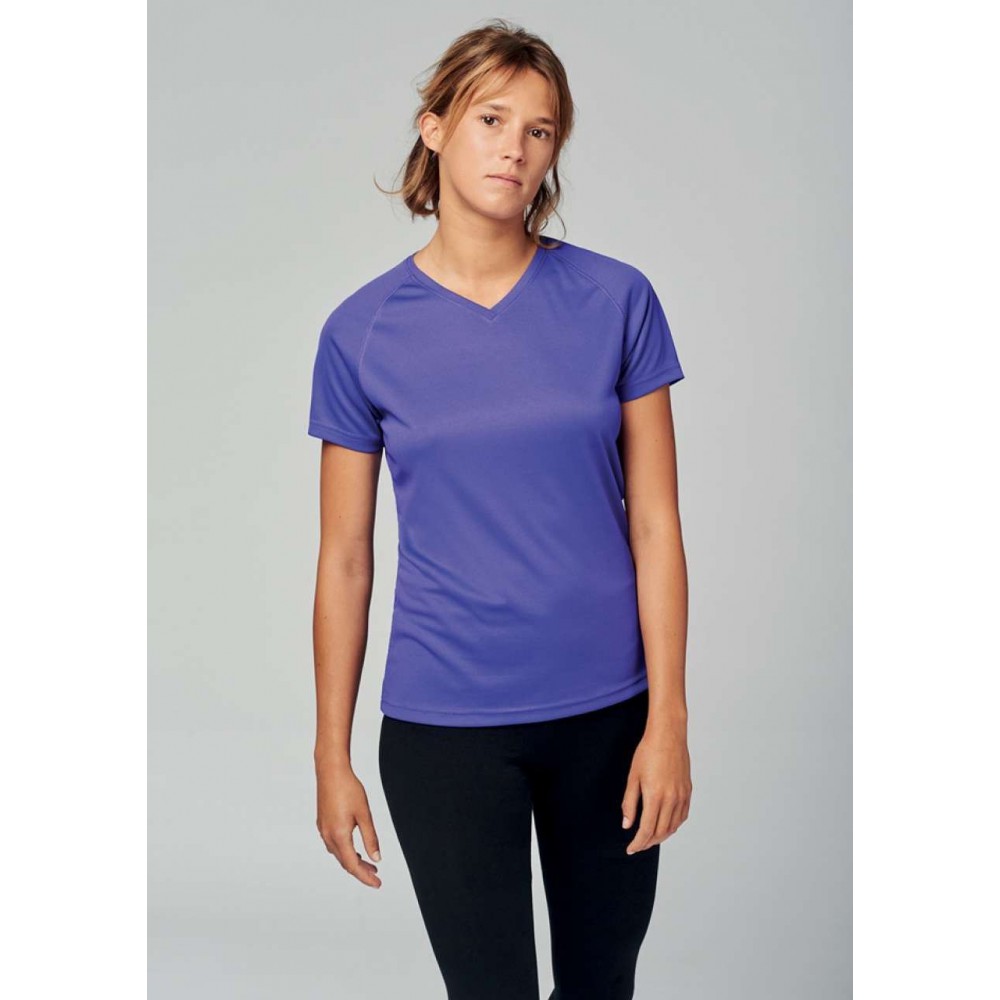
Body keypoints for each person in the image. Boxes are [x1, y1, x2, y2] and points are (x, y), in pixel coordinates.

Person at [308, 19, 692, 1000]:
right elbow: (345, 557)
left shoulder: (616, 300)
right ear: (434, 128)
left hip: (609, 717)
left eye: (540, 129)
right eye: (490, 119)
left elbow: (655, 524)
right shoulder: (361, 333)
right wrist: (330, 754)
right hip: (445, 727)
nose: (515, 147)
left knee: (602, 987)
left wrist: (669, 720)